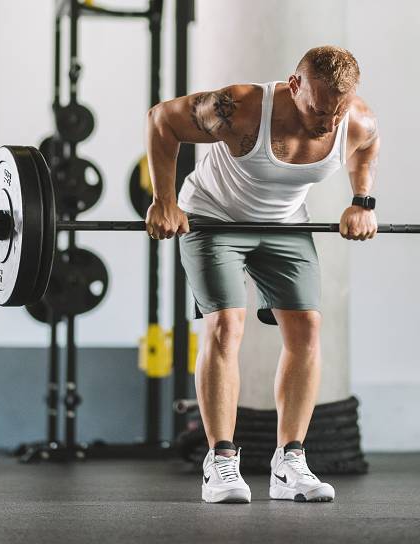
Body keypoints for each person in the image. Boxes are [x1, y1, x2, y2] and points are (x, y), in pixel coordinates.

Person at [146, 45, 379, 503]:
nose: (328, 123)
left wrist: (362, 200)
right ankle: (220, 463)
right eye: (318, 108)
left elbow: (367, 148)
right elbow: (162, 120)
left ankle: (290, 462)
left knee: (307, 329)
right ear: (294, 87)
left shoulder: (356, 121)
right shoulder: (242, 107)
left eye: (338, 110)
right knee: (226, 326)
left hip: (284, 224)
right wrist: (164, 199)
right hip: (213, 218)